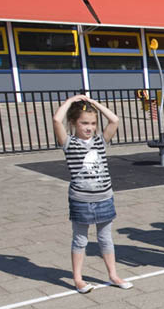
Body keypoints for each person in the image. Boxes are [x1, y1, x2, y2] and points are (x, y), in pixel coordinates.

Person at [53, 94, 133, 293]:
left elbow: (114, 120)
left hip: (104, 197)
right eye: (84, 123)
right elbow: (56, 120)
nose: (89, 127)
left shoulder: (100, 141)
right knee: (80, 239)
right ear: (73, 123)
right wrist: (70, 102)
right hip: (81, 199)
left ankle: (113, 275)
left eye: (93, 123)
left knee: (105, 238)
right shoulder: (69, 143)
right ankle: (78, 279)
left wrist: (94, 104)